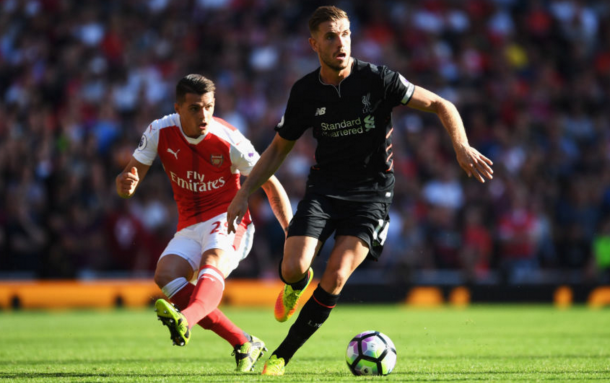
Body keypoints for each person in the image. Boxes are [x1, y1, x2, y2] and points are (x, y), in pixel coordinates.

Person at [226, 6, 494, 376]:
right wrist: (243, 194)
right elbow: (276, 150)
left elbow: (440, 104)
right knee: (292, 267)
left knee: (335, 276)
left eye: (346, 34)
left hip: (371, 196)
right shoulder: (305, 92)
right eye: (331, 36)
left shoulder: (378, 79)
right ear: (314, 43)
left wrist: (461, 146)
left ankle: (282, 355)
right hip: (324, 190)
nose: (341, 43)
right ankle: (297, 283)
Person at [115, 74, 292, 372]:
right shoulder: (159, 131)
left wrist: (292, 233)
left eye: (209, 106)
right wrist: (124, 185)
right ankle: (243, 342)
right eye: (195, 108)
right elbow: (128, 179)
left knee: (213, 260)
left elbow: (270, 183)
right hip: (189, 225)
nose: (204, 115)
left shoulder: (229, 139)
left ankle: (186, 320)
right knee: (165, 275)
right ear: (178, 109)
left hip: (229, 218)